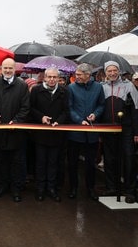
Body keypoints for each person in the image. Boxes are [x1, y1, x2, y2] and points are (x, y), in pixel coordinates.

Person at [0, 58, 30, 202]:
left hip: (15, 131)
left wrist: (16, 121)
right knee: (0, 161)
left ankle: (16, 189)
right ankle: (2, 186)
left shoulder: (22, 86)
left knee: (16, 162)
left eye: (10, 68)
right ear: (1, 68)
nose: (8, 70)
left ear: (14, 69)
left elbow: (25, 107)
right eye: (5, 68)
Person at [29, 67, 69, 202]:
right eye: (49, 77)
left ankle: (51, 188)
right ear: (45, 77)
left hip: (56, 133)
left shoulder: (64, 91)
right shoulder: (36, 90)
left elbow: (66, 110)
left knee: (53, 162)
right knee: (40, 162)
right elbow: (31, 108)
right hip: (41, 133)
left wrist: (59, 121)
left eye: (54, 77)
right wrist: (41, 117)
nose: (52, 79)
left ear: (58, 78)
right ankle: (40, 188)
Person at [101, 61, 138, 203]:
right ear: (105, 72)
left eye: (114, 70)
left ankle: (130, 191)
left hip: (126, 129)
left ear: (119, 71)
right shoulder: (102, 87)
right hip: (108, 128)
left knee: (128, 159)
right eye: (109, 71)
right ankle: (111, 187)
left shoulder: (128, 86)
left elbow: (136, 110)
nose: (112, 73)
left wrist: (136, 132)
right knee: (110, 159)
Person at [67, 63, 105, 201]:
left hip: (92, 132)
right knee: (72, 163)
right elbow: (69, 107)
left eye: (79, 75)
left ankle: (90, 188)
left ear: (88, 75)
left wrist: (95, 114)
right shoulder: (71, 88)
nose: (76, 77)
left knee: (90, 163)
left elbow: (101, 105)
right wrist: (78, 120)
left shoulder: (98, 87)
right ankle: (73, 188)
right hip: (75, 132)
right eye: (76, 74)